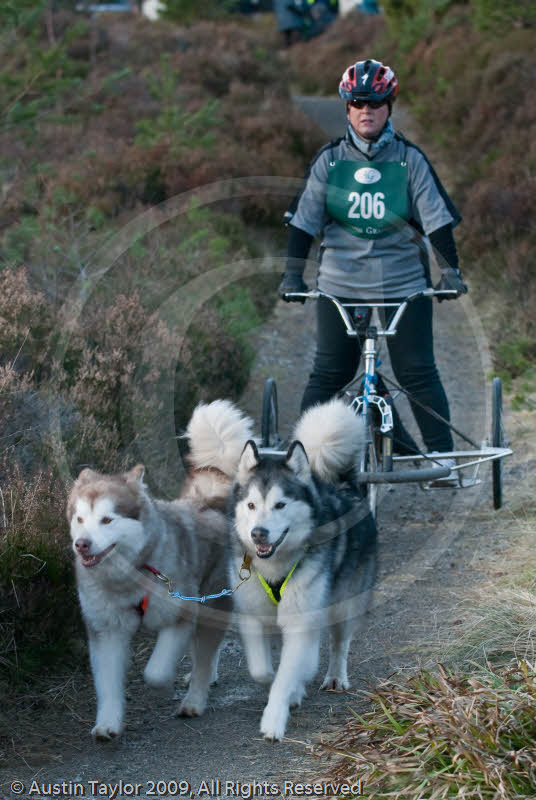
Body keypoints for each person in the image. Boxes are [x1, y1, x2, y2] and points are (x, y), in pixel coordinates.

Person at [278, 58, 467, 460]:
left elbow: (437, 220)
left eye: (377, 103)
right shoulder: (329, 161)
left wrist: (450, 273)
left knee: (417, 373)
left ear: (389, 108)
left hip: (401, 284)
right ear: (347, 107)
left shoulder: (408, 159)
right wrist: (292, 277)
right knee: (329, 374)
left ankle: (442, 461)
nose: (368, 110)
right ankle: (304, 461)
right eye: (359, 102)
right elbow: (303, 223)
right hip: (340, 285)